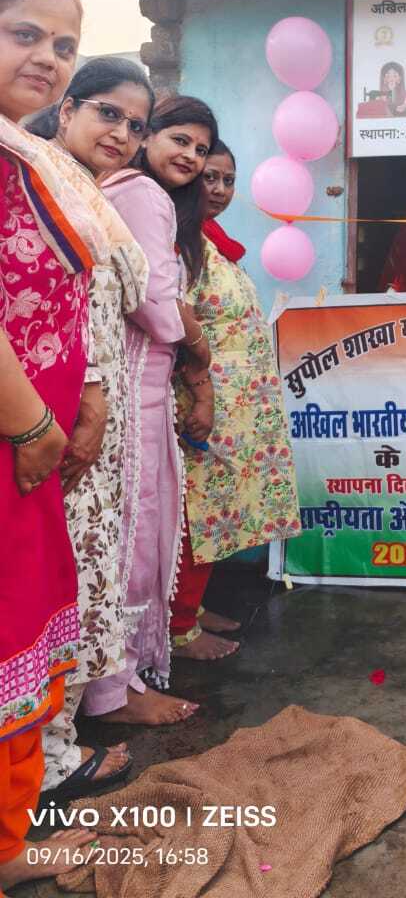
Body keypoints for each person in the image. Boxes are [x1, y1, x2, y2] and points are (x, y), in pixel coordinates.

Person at [0, 0, 113, 887]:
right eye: (24, 34)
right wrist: (34, 423)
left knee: (20, 633)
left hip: (28, 450)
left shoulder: (22, 154)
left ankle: (5, 845)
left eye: (64, 44)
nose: (47, 57)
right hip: (13, 440)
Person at [26, 61, 155, 799]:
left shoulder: (84, 191)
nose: (123, 133)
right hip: (54, 414)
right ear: (67, 108)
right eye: (109, 113)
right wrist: (90, 399)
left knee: (81, 577)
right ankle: (44, 762)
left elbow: (122, 294)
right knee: (53, 583)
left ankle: (56, 745)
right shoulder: (37, 178)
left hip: (91, 418)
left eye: (136, 125)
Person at [82, 95, 218, 726]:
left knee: (131, 535)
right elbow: (156, 302)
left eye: (201, 148)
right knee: (134, 537)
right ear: (147, 139)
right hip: (134, 388)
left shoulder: (138, 194)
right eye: (178, 139)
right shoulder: (140, 193)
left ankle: (121, 678)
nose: (191, 156)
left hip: (140, 383)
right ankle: (115, 693)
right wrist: (198, 347)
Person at [169, 141, 301, 658]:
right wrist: (201, 394)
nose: (221, 189)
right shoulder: (177, 240)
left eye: (228, 179)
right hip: (201, 401)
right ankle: (178, 627)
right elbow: (178, 318)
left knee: (218, 508)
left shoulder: (214, 241)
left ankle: (192, 608)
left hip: (235, 404)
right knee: (196, 513)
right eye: (210, 177)